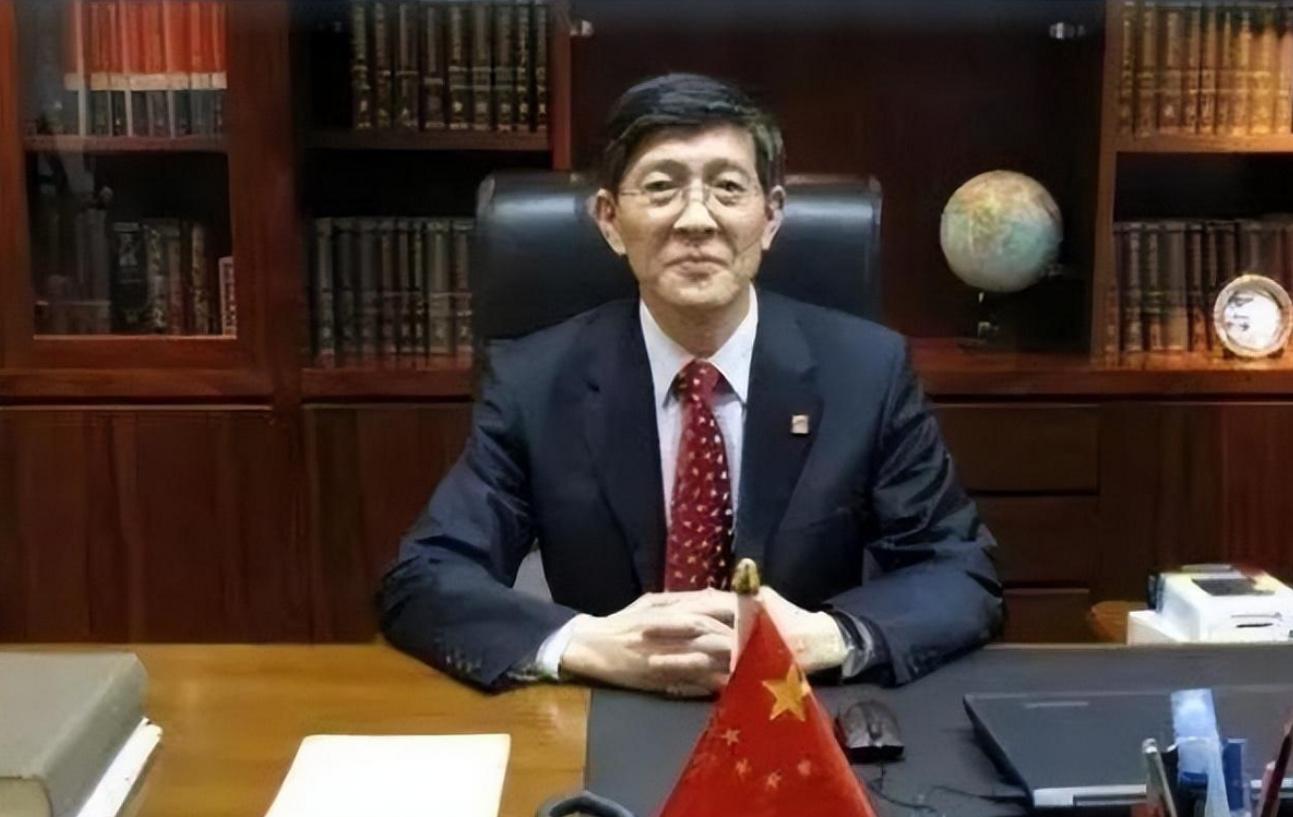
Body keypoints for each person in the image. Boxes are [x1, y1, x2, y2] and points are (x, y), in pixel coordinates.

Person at [379, 73, 1002, 695]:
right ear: (610, 220)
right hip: (610, 704)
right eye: (661, 188)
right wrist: (583, 643)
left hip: (802, 710)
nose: (696, 220)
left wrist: (824, 637)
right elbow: (425, 574)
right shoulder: (535, 381)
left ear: (771, 216)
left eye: (728, 187)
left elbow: (960, 569)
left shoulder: (867, 372)